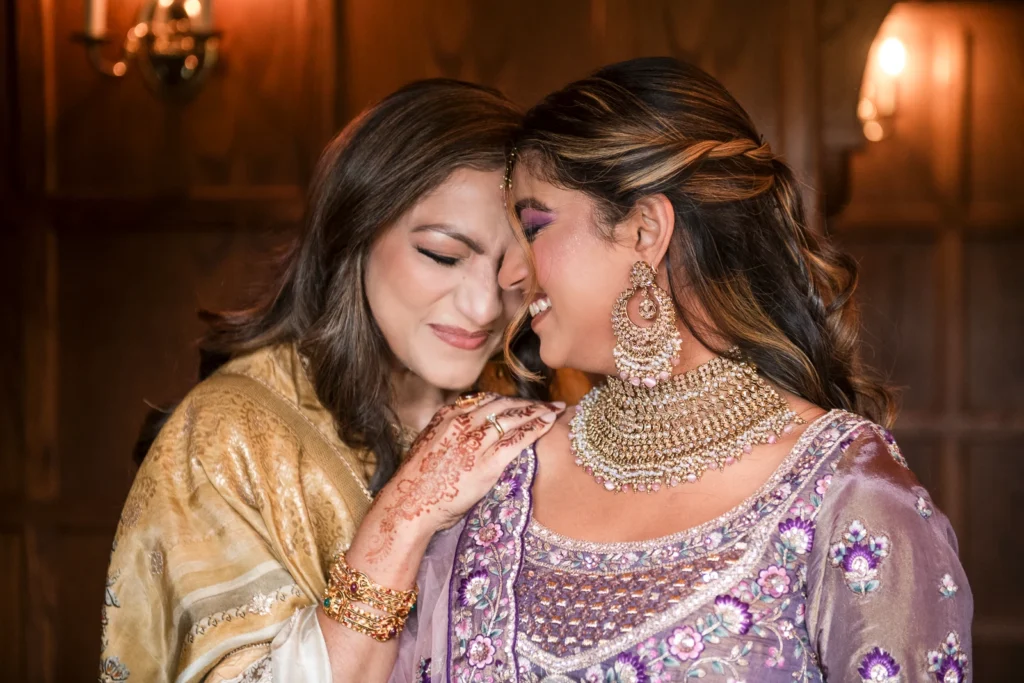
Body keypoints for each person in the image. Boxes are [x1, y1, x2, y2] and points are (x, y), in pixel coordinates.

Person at [392, 58, 973, 682]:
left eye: (534, 226)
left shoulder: (851, 497)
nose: (511, 273)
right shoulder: (496, 466)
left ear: (645, 231)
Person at [99, 79, 566, 683]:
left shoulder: (542, 391)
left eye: (512, 272)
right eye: (443, 255)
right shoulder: (226, 435)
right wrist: (408, 513)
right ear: (355, 233)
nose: (482, 308)